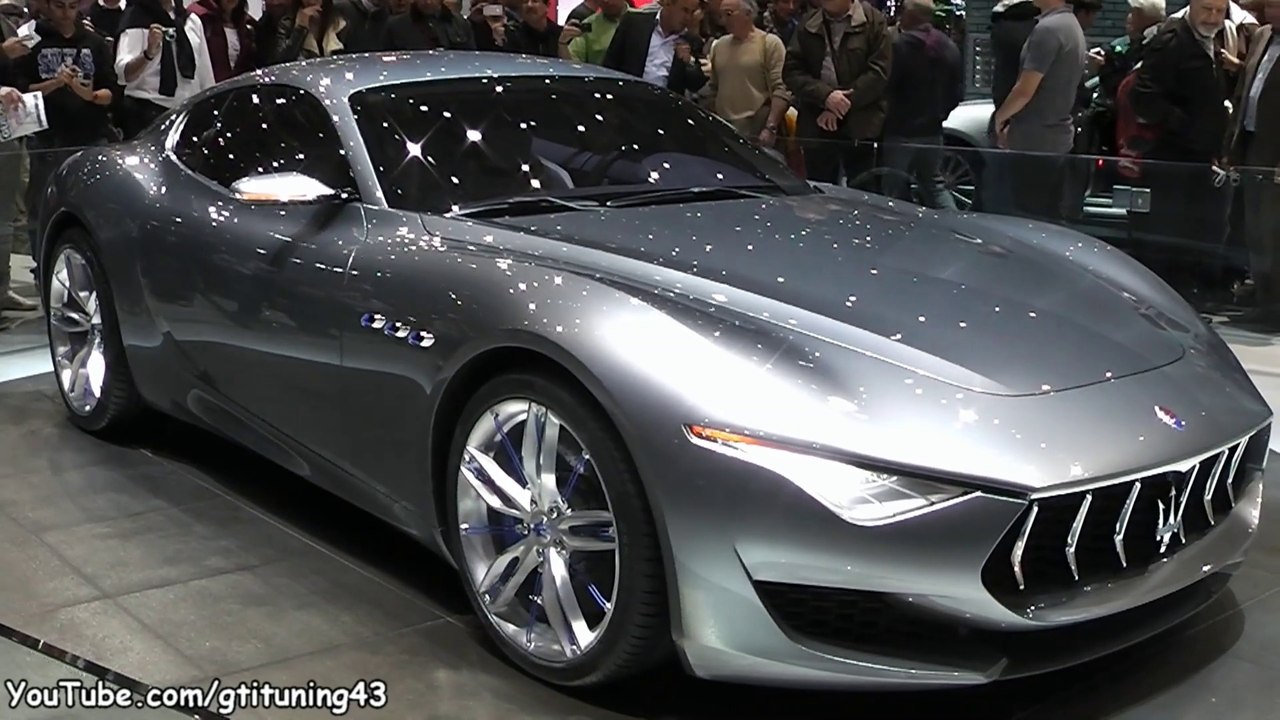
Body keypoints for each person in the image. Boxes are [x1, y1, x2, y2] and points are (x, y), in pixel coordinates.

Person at [15, 0, 115, 275]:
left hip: (89, 135)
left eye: (72, 6)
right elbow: (21, 89)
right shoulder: (33, 41)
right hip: (46, 137)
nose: (66, 13)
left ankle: (93, 267)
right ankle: (44, 268)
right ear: (47, 6)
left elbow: (111, 91)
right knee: (41, 207)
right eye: (59, 6)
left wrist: (89, 95)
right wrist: (56, 83)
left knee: (93, 205)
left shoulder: (94, 42)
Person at [991, 0, 1085, 220]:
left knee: (1022, 218)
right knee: (1046, 219)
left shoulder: (1048, 29)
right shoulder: (1071, 24)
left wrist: (1000, 119)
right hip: (1055, 139)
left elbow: (1025, 89)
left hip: (1033, 142)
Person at [781, 0, 892, 186]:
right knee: (820, 191)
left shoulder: (873, 22)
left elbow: (879, 73)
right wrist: (826, 96)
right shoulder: (809, 23)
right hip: (817, 124)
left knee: (863, 191)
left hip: (860, 124)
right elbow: (791, 71)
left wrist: (840, 103)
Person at [1225, 0, 1280, 324]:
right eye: (1270, 5)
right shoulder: (1260, 36)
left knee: (1274, 232)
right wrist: (1232, 147)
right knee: (1255, 229)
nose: (1273, 12)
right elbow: (1245, 90)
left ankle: (1275, 306)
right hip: (1252, 143)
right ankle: (1263, 298)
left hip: (1276, 154)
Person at [880, 0, 962, 208]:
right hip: (933, 130)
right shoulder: (948, 45)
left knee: (893, 187)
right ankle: (954, 228)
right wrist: (940, 114)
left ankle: (893, 232)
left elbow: (886, 85)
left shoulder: (900, 46)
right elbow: (956, 91)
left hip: (900, 130)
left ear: (910, 15)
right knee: (934, 185)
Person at [114, 0, 215, 139]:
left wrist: (210, 112)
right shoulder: (135, 19)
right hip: (147, 114)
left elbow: (205, 74)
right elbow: (123, 74)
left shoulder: (191, 21)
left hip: (187, 114)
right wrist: (148, 54)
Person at [703, 0, 788, 146]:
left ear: (748, 14)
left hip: (757, 126)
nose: (724, 20)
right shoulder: (719, 45)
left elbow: (781, 89)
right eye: (721, 15)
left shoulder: (769, 44)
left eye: (729, 14)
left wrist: (770, 127)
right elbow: (714, 87)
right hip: (724, 127)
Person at [600, 0, 706, 95]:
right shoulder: (634, 23)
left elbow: (696, 84)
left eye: (692, 12)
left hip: (664, 107)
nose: (688, 18)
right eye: (685, 10)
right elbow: (610, 65)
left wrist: (689, 62)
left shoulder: (692, 41)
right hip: (627, 98)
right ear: (668, 3)